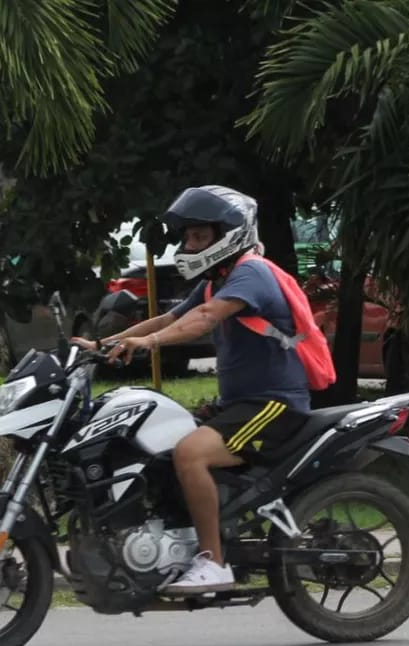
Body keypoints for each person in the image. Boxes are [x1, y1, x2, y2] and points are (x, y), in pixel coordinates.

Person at [73, 185, 310, 594]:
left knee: (189, 453)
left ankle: (214, 563)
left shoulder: (252, 272)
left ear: (229, 235)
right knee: (160, 448)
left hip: (274, 406)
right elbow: (169, 318)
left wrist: (147, 346)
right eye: (188, 237)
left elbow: (202, 320)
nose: (189, 245)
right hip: (237, 405)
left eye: (199, 237)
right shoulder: (217, 281)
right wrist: (103, 345)